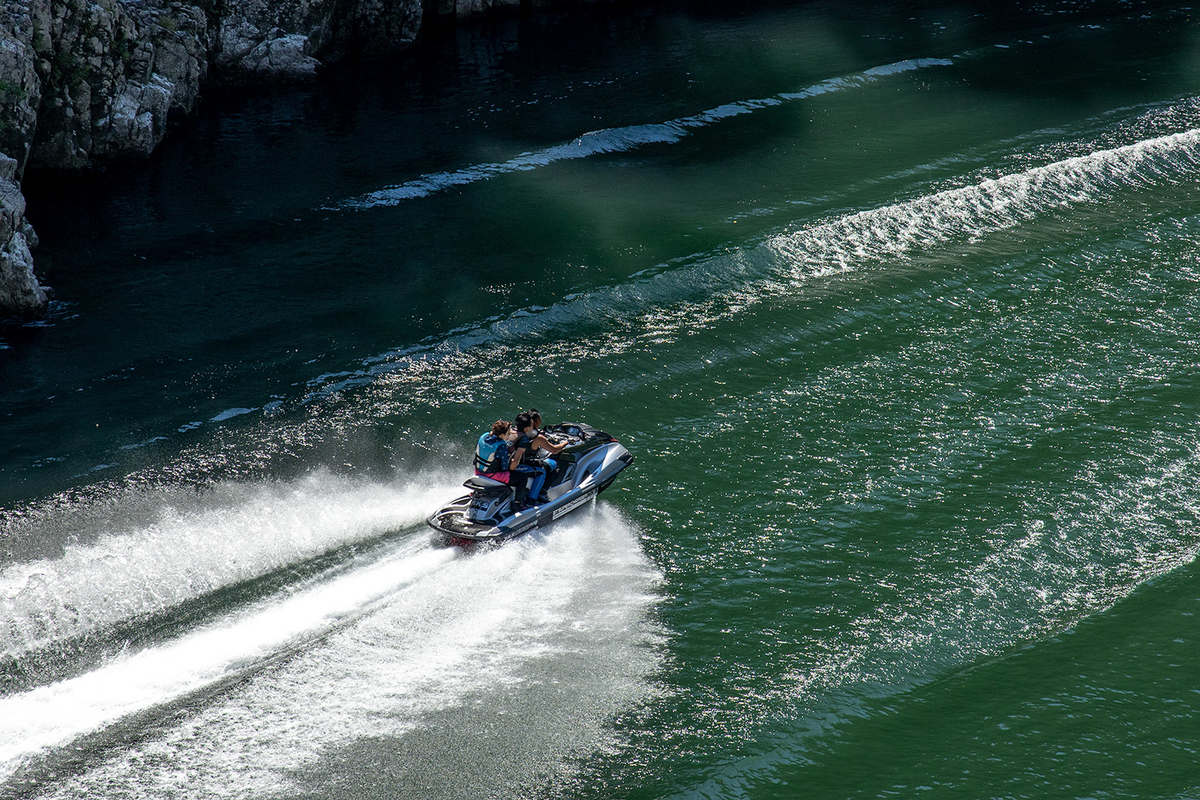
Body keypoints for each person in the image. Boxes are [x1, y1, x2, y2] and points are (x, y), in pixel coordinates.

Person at [511, 410, 568, 505]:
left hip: (513, 464)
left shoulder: (514, 432)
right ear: (535, 422)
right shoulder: (538, 438)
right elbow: (554, 450)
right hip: (524, 464)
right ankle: (538, 496)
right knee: (551, 466)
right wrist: (565, 443)